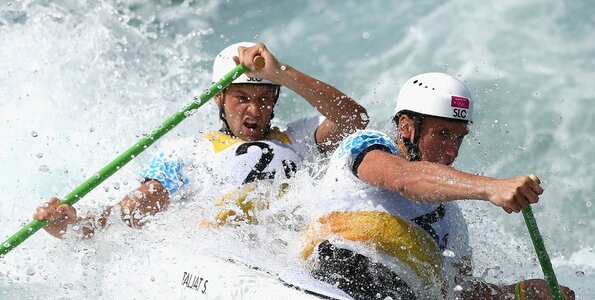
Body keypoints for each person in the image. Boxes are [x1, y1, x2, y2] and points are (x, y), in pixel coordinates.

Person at [301, 72, 577, 300]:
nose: (452, 151)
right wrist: (492, 187)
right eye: (442, 134)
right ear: (407, 127)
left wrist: (531, 291)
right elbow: (405, 179)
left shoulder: (451, 221)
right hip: (328, 279)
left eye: (459, 137)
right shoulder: (366, 146)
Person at [34, 41, 368, 237]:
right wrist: (73, 224)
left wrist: (282, 74)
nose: (255, 109)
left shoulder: (299, 137)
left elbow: (356, 120)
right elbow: (130, 214)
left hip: (297, 249)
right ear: (218, 98)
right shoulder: (187, 153)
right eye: (242, 97)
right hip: (228, 258)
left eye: (265, 98)